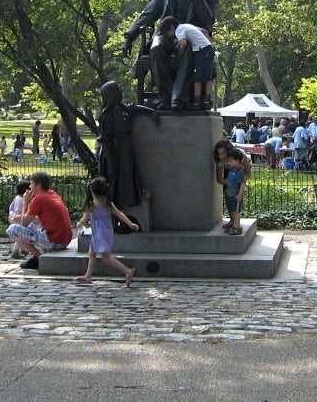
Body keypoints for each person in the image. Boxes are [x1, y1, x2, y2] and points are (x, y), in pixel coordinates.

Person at [121, 0, 219, 109]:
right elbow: (149, 13)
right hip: (166, 33)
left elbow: (207, 20)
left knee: (186, 49)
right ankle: (164, 98)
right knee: (156, 46)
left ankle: (177, 100)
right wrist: (130, 37)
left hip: (191, 37)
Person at [97, 80, 157, 208]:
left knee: (127, 181)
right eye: (118, 90)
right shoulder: (107, 116)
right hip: (113, 151)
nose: (121, 92)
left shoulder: (126, 109)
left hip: (125, 149)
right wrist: (111, 163)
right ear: (112, 95)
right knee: (114, 182)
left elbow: (136, 108)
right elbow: (105, 140)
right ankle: (114, 215)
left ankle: (126, 213)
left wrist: (152, 112)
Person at [73, 177, 139, 286]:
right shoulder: (108, 204)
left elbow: (84, 218)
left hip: (100, 233)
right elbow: (120, 214)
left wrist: (79, 224)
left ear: (92, 191)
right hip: (105, 232)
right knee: (92, 252)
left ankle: (127, 271)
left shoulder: (92, 205)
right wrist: (130, 224)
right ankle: (88, 275)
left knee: (105, 257)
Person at [6, 171, 73, 269]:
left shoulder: (39, 199)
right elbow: (36, 220)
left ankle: (39, 258)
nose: (30, 187)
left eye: (32, 184)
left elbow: (24, 223)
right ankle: (39, 256)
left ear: (38, 185)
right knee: (34, 226)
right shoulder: (52, 194)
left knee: (12, 229)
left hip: (55, 242)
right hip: (65, 240)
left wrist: (25, 203)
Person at [157, 16, 214, 110]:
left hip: (202, 51)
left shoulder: (179, 30)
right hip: (207, 49)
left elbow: (183, 43)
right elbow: (205, 31)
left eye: (168, 33)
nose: (170, 36)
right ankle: (207, 100)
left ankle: (197, 101)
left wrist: (176, 46)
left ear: (171, 28)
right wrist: (208, 43)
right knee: (208, 76)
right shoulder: (186, 25)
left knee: (197, 77)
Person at [213, 139, 252, 229]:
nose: (222, 156)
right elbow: (219, 178)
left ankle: (236, 224)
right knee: (228, 198)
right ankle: (232, 221)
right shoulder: (220, 162)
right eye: (220, 154)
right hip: (229, 176)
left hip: (240, 172)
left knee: (236, 201)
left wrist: (239, 182)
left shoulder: (240, 157)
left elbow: (248, 173)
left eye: (224, 153)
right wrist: (226, 182)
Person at [222, 148, 247, 236]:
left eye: (230, 161)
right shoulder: (231, 169)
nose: (228, 163)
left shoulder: (239, 171)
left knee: (236, 211)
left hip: (236, 195)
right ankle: (234, 225)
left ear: (237, 161)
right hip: (230, 193)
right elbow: (223, 165)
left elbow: (243, 182)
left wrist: (240, 194)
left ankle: (237, 226)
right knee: (232, 210)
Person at [7, 180, 31, 258]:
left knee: (20, 235)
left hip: (14, 218)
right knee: (21, 236)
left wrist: (11, 215)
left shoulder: (16, 198)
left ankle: (23, 249)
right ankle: (16, 251)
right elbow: (27, 210)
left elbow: (11, 207)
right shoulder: (25, 199)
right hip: (21, 218)